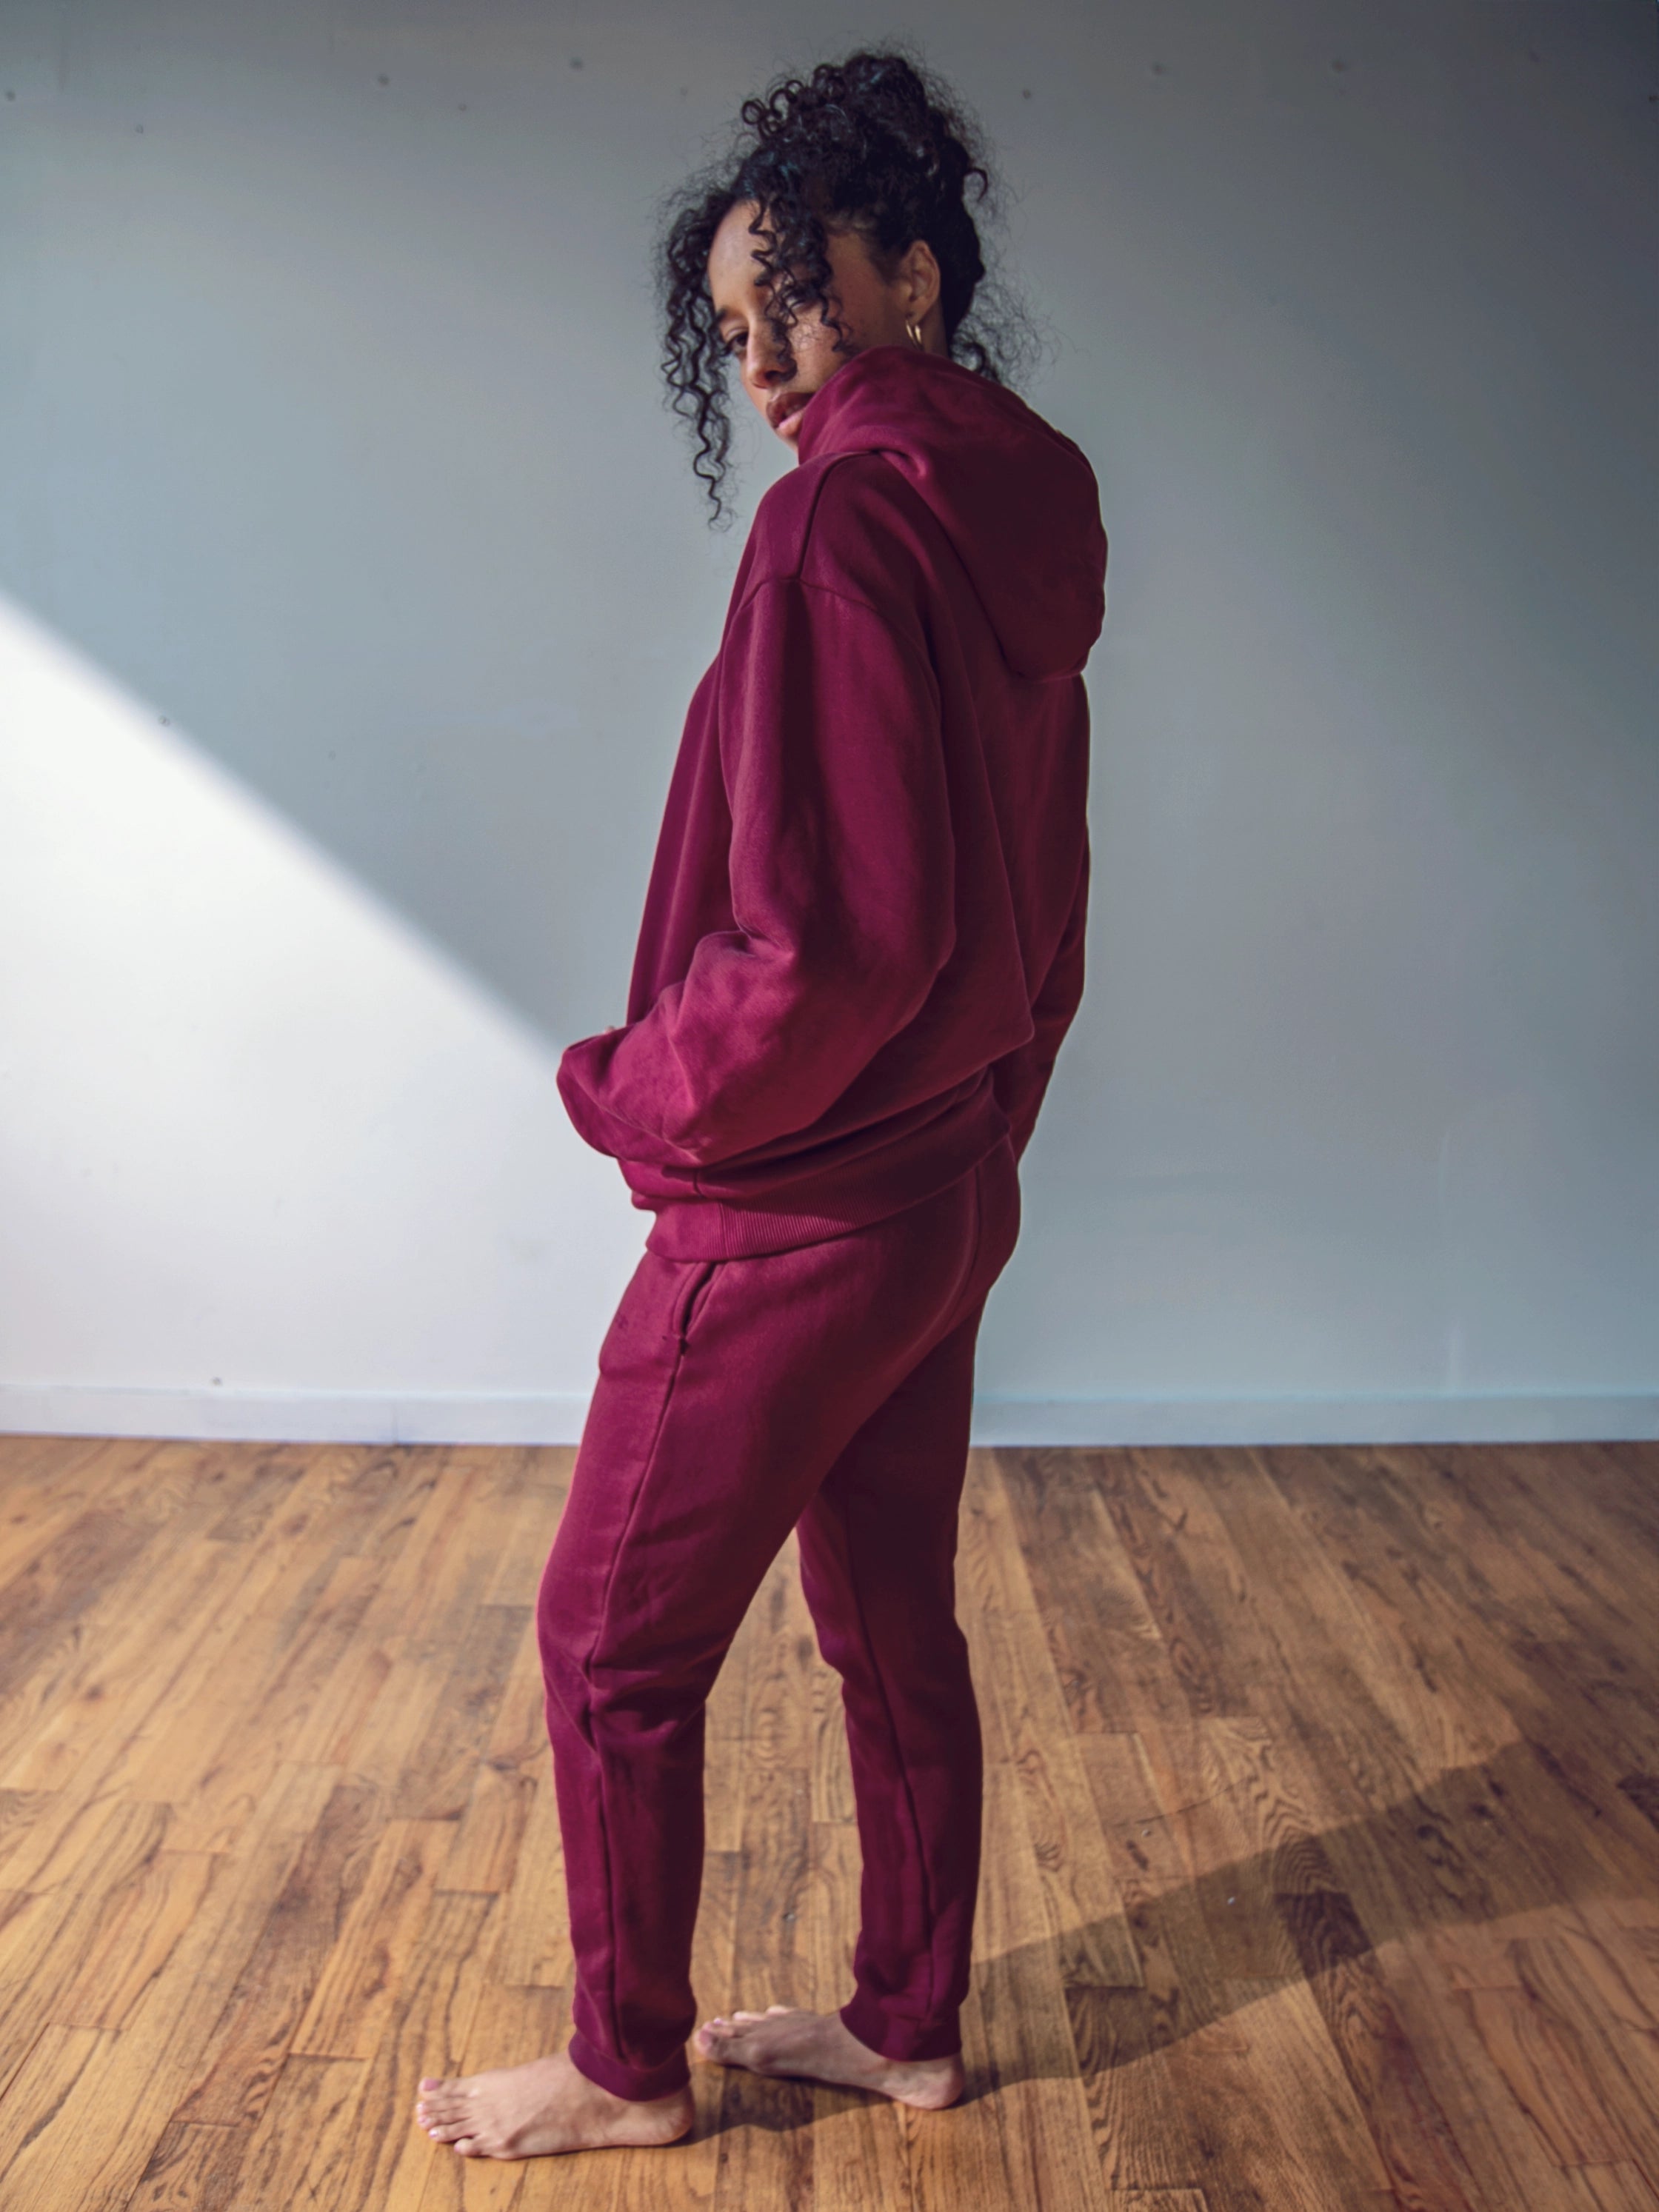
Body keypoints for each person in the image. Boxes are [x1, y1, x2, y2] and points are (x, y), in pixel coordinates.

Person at [414, 45, 1106, 2162]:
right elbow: (1035, 905)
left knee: (610, 1635)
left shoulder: (833, 530)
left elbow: (829, 946)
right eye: (736, 332)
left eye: (794, 300)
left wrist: (636, 1093)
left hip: (797, 1203)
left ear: (911, 274)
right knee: (888, 1610)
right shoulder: (1016, 514)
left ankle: (626, 2064)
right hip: (940, 1181)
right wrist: (984, 1129)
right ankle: (908, 2018)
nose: (772, 365)